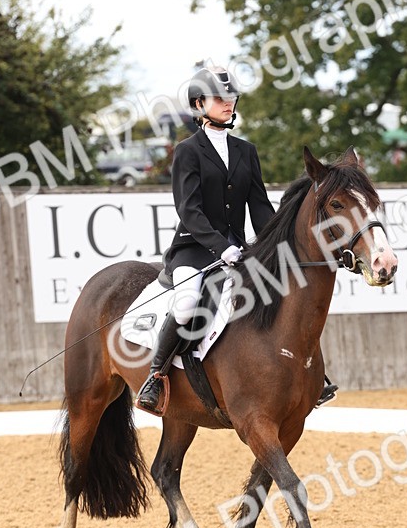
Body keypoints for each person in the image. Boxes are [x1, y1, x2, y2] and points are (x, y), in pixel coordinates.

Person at [135, 64, 338, 411]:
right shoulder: (188, 151)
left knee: (284, 292)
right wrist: (221, 247)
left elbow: (259, 207)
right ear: (199, 105)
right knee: (186, 302)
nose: (228, 103)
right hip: (195, 250)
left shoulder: (246, 151)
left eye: (231, 97)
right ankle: (155, 375)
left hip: (239, 249)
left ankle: (306, 374)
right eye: (219, 98)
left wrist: (280, 247)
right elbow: (189, 211)